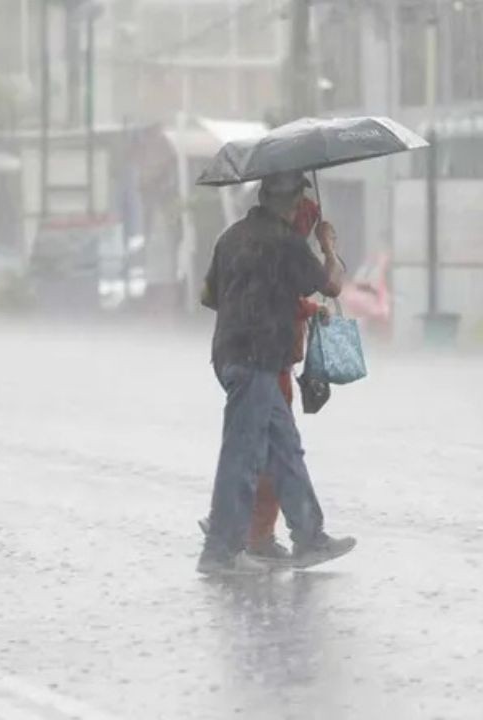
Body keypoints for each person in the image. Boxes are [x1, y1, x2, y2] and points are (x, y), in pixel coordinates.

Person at [197, 171, 356, 575]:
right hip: (257, 360)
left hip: (233, 355)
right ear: (292, 202)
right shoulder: (285, 242)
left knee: (285, 449)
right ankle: (221, 551)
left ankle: (309, 537)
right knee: (243, 453)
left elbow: (209, 296)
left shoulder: (231, 237)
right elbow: (331, 286)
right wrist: (329, 247)